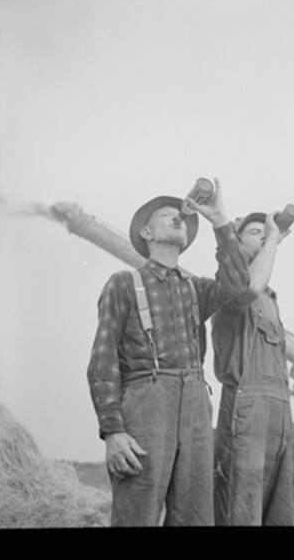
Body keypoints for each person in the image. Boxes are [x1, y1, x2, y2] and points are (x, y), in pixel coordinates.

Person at [86, 180, 248, 526]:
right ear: (146, 232)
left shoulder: (196, 289)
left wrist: (220, 221)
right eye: (166, 214)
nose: (178, 218)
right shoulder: (123, 283)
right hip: (145, 405)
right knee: (137, 513)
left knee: (195, 515)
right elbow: (103, 361)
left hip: (195, 406)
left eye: (181, 216)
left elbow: (237, 286)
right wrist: (113, 432)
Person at [212, 211, 294, 526]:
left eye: (266, 232)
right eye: (255, 232)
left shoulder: (270, 299)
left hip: (278, 409)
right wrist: (274, 237)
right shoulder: (228, 287)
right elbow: (248, 287)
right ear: (236, 243)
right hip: (245, 408)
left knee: (277, 510)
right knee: (241, 509)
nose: (263, 235)